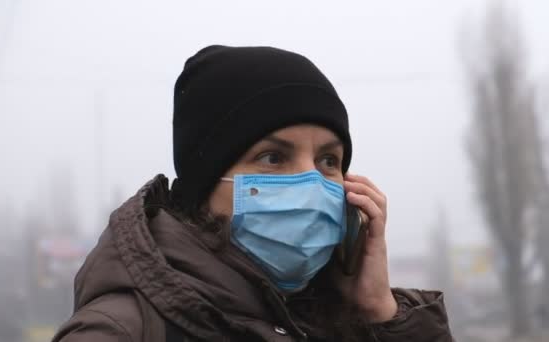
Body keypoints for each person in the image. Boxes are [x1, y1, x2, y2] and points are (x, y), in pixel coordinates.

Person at [52, 45, 454, 341]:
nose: (311, 183)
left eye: (329, 161)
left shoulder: (341, 325)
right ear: (205, 183)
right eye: (273, 158)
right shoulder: (123, 330)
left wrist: (382, 314)